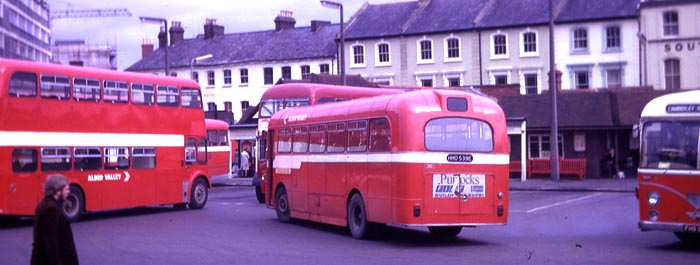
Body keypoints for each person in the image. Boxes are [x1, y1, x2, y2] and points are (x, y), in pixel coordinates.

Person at [31, 174, 79, 265]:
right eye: (66, 189)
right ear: (58, 191)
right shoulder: (51, 209)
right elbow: (51, 243)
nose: (68, 192)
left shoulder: (48, 204)